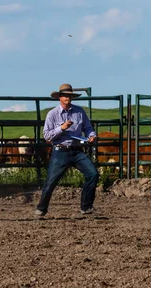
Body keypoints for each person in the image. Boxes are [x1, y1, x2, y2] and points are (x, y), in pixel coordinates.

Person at [35, 83, 98, 217]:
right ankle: (41, 208)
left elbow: (88, 128)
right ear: (59, 97)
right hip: (60, 150)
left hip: (76, 150)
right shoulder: (52, 114)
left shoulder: (79, 112)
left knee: (93, 174)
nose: (67, 97)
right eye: (65, 95)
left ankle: (86, 206)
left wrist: (91, 136)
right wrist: (61, 128)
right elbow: (46, 135)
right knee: (51, 181)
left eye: (69, 95)